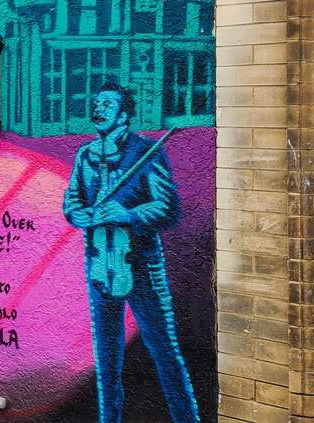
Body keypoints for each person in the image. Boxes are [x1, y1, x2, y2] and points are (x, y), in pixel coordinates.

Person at [62, 82, 199, 423]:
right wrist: (81, 215)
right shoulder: (85, 155)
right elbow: (72, 203)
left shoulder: (146, 152)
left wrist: (129, 215)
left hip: (141, 265)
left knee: (164, 351)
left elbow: (168, 208)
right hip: (99, 264)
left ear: (124, 115)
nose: (98, 109)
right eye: (96, 104)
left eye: (107, 105)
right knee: (106, 358)